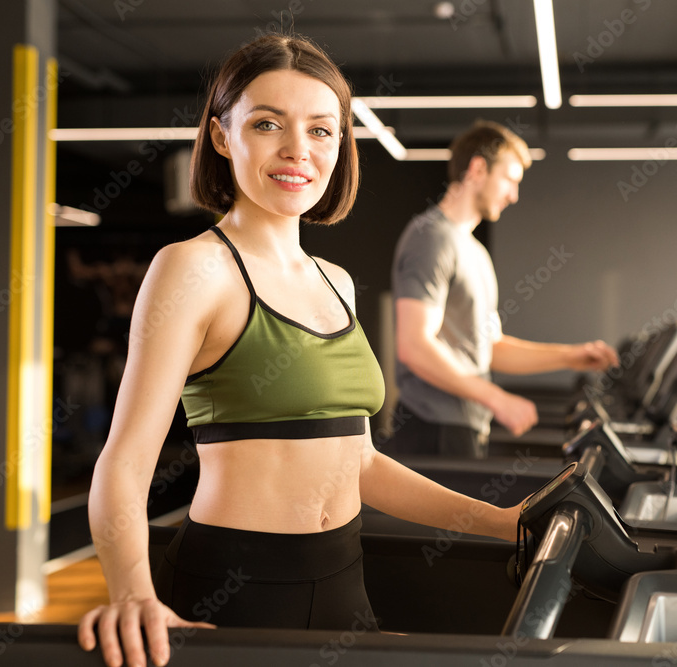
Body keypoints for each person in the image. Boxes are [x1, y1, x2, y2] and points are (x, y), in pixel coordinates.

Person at [77, 35, 523, 667]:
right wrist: (132, 595)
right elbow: (124, 462)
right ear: (222, 136)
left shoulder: (335, 281)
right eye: (268, 124)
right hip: (234, 586)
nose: (297, 150)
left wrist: (503, 521)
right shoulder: (194, 269)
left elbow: (360, 463)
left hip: (342, 578)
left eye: (320, 130)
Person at [390, 121, 619, 459]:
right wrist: (495, 398)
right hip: (432, 428)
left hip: (464, 427)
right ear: (477, 169)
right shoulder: (431, 237)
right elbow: (413, 345)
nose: (514, 195)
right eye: (509, 180)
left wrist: (570, 356)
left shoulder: (475, 253)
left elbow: (489, 348)